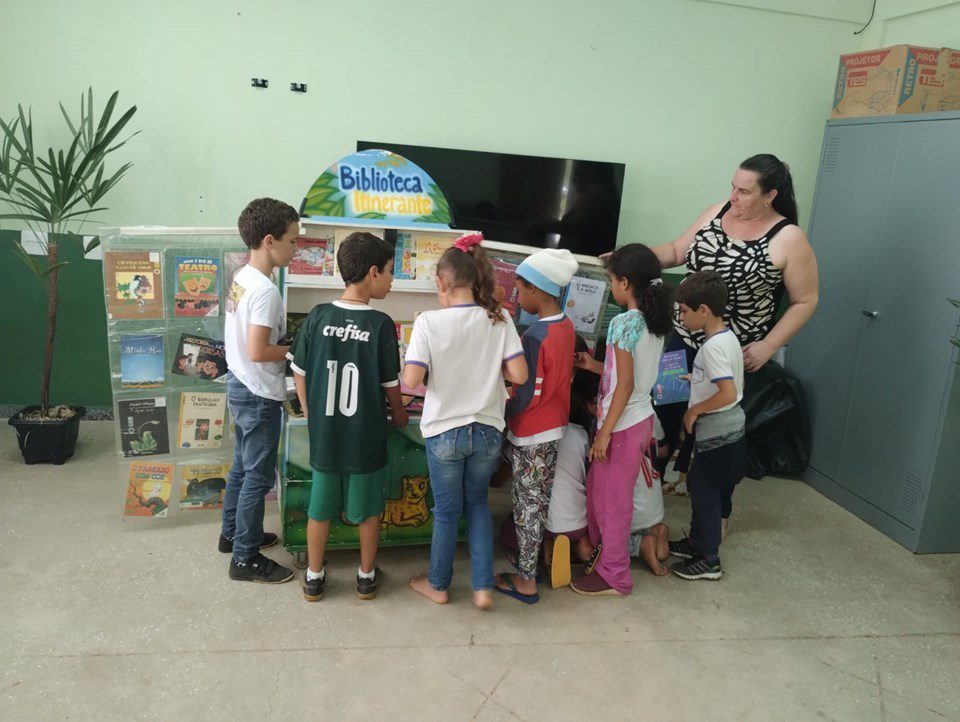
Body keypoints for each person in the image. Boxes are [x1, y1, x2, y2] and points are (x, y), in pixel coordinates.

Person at [640, 154, 819, 477]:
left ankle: (701, 494)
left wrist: (768, 346)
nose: (734, 197)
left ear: (770, 196)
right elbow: (677, 251)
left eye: (744, 192)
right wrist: (635, 259)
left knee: (709, 425)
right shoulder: (718, 210)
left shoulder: (788, 237)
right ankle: (653, 480)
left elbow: (805, 301)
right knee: (665, 406)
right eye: (733, 187)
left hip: (730, 351)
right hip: (684, 336)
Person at [403, 233, 528, 610]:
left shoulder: (428, 322)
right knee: (477, 503)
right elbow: (520, 375)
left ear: (442, 283)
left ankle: (439, 585)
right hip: (489, 430)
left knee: (445, 510)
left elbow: (410, 381)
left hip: (444, 431)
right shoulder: (500, 317)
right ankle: (482, 588)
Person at [291, 232, 408, 602]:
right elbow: (391, 385)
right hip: (366, 438)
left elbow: (299, 370)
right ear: (372, 272)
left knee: (319, 510)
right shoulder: (381, 325)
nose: (392, 280)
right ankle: (366, 576)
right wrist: (401, 412)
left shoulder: (318, 316)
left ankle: (313, 576)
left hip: (326, 435)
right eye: (390, 272)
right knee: (369, 512)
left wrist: (310, 409)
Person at [569, 244, 672, 596]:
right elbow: (628, 375)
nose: (611, 286)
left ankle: (615, 575)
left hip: (622, 426)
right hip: (638, 420)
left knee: (612, 504)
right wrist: (593, 365)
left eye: (612, 280)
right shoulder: (652, 321)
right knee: (601, 495)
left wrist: (604, 434)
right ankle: (605, 558)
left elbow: (625, 384)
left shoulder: (623, 323)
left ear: (625, 282)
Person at [220, 197, 299, 584]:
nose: (296, 248)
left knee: (242, 465)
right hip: (258, 391)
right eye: (293, 240)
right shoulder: (266, 292)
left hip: (239, 381)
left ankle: (232, 533)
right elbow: (259, 350)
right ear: (269, 240)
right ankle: (245, 558)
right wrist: (297, 350)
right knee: (258, 476)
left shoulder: (243, 276)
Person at [495, 248, 579, 605]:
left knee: (528, 504)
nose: (517, 296)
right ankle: (529, 562)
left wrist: (501, 410)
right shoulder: (565, 326)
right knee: (535, 499)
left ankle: (527, 580)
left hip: (531, 432)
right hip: (553, 426)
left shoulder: (533, 336)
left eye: (521, 289)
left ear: (541, 291)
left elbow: (527, 392)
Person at [668, 271, 746, 580]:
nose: (682, 318)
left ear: (703, 310)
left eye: (685, 312)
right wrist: (697, 380)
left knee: (704, 491)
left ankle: (709, 559)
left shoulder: (712, 348)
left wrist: (694, 410)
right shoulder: (726, 339)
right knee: (706, 487)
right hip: (730, 428)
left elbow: (727, 392)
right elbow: (728, 384)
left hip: (717, 431)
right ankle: (696, 543)